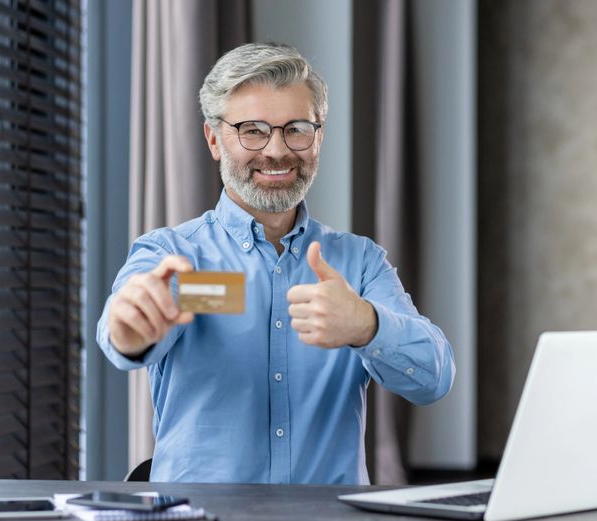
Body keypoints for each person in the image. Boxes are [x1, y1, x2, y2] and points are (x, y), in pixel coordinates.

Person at [97, 43, 455, 484]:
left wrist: (366, 325)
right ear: (214, 139)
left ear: (318, 137)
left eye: (296, 129)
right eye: (252, 130)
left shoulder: (359, 262)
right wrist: (130, 328)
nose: (276, 150)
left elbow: (435, 378)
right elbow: (121, 328)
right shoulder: (170, 256)